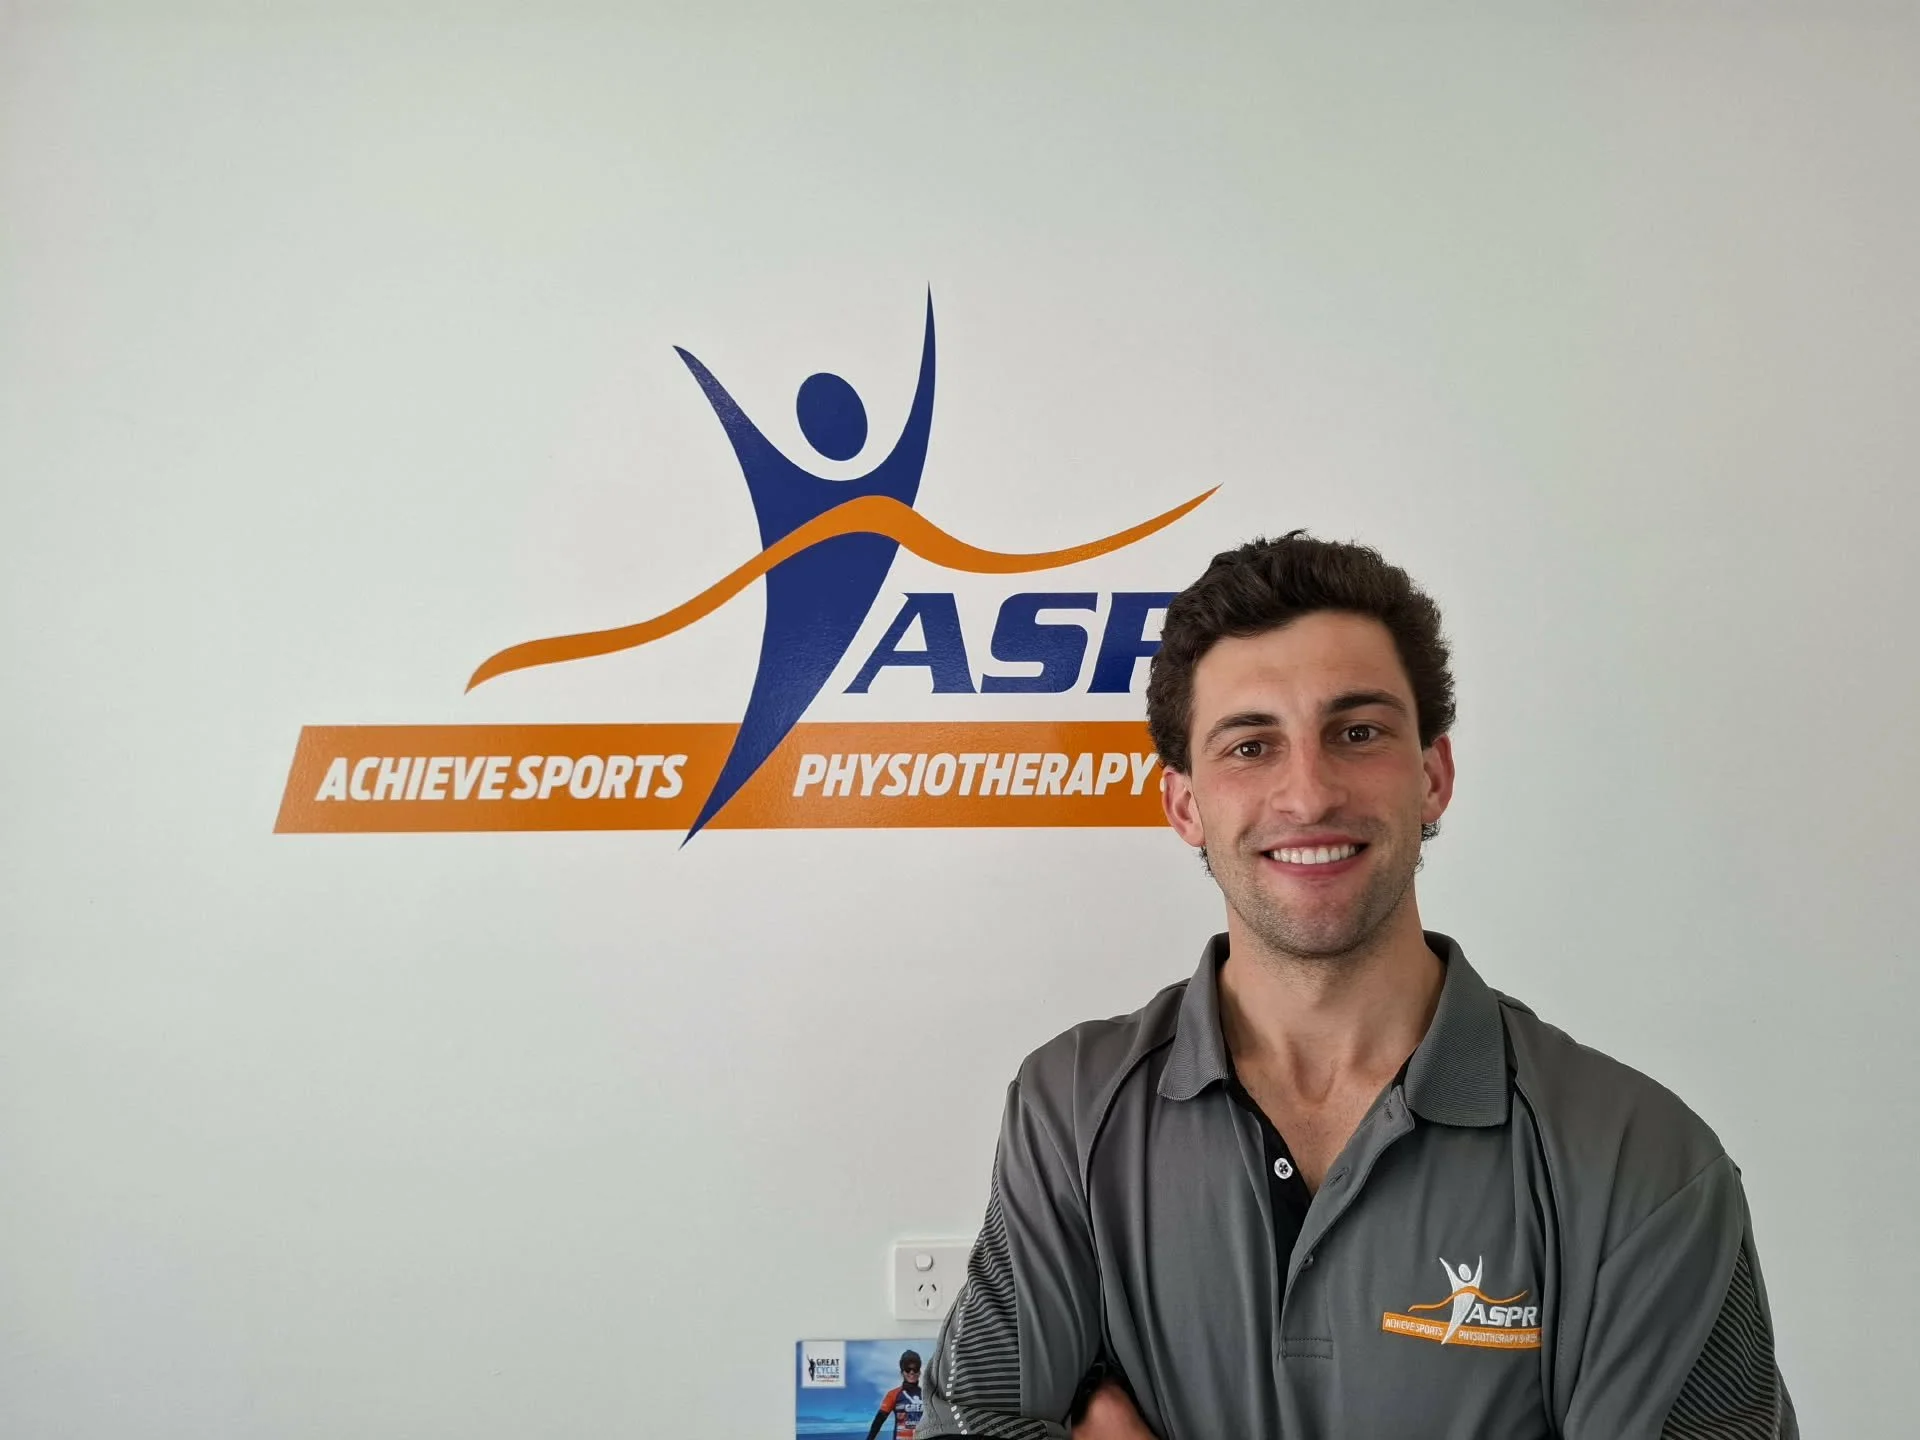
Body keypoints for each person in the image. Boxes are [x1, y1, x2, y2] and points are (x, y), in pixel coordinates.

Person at [919, 533, 1795, 1438]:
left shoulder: (1643, 1165)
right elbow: (966, 1423)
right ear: (1186, 804)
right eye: (1252, 746)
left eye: (1358, 733)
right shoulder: (1070, 1109)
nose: (1308, 795)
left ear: (1432, 776)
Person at [865, 1348, 925, 1440]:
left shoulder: (927, 1395)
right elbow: (879, 1421)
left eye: (915, 1368)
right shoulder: (893, 1394)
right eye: (907, 1368)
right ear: (902, 1372)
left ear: (919, 1372)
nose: (912, 1372)